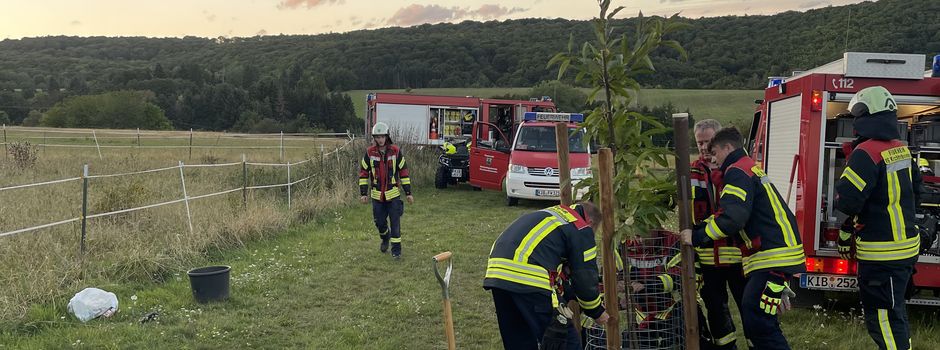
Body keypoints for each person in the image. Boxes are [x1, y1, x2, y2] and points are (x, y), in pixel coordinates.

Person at [681, 127, 805, 350]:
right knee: (756, 314)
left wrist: (697, 236)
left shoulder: (737, 171)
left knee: (759, 320)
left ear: (728, 148)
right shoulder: (749, 168)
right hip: (777, 257)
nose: (714, 158)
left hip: (771, 257)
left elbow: (732, 218)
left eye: (716, 152)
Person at [834, 86, 921, 350]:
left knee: (882, 319)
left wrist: (845, 232)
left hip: (881, 255)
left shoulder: (866, 153)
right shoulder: (901, 149)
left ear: (864, 116)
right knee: (896, 314)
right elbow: (916, 193)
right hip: (905, 249)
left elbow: (848, 200)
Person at [484, 202, 609, 350]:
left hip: (498, 275)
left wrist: (569, 292)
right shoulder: (581, 227)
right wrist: (597, 311)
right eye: (595, 230)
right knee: (563, 339)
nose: (593, 234)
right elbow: (584, 279)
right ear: (591, 222)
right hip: (529, 277)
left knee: (519, 340)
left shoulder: (552, 215)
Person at [691, 119, 745, 349]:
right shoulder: (692, 170)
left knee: (749, 307)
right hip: (707, 257)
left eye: (708, 142)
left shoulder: (733, 169)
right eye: (699, 143)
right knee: (716, 310)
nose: (703, 148)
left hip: (738, 255)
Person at [358, 122, 414, 259]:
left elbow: (404, 173)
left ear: (387, 136)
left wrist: (408, 193)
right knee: (380, 223)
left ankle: (396, 252)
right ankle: (385, 238)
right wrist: (363, 193)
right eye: (377, 137)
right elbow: (363, 173)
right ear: (374, 138)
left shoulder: (395, 151)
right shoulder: (369, 153)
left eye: (382, 136)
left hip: (393, 195)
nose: (380, 139)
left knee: (395, 224)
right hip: (377, 197)